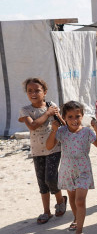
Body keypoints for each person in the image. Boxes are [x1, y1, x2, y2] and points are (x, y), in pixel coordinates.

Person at [46, 101, 97, 234]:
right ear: (64, 118)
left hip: (83, 170)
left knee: (80, 200)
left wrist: (96, 129)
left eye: (77, 116)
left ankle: (79, 231)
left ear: (82, 116)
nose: (74, 120)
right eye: (70, 117)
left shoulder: (86, 132)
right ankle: (75, 218)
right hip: (67, 170)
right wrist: (53, 129)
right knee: (72, 198)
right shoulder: (61, 132)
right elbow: (48, 146)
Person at [18, 78, 67, 224]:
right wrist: (47, 113)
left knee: (51, 178)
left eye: (37, 90)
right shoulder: (25, 110)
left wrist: (57, 115)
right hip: (37, 151)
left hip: (54, 148)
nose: (33, 93)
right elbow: (32, 125)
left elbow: (63, 124)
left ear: (44, 92)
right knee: (42, 183)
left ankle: (60, 201)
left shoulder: (52, 106)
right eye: (30, 91)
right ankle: (47, 211)